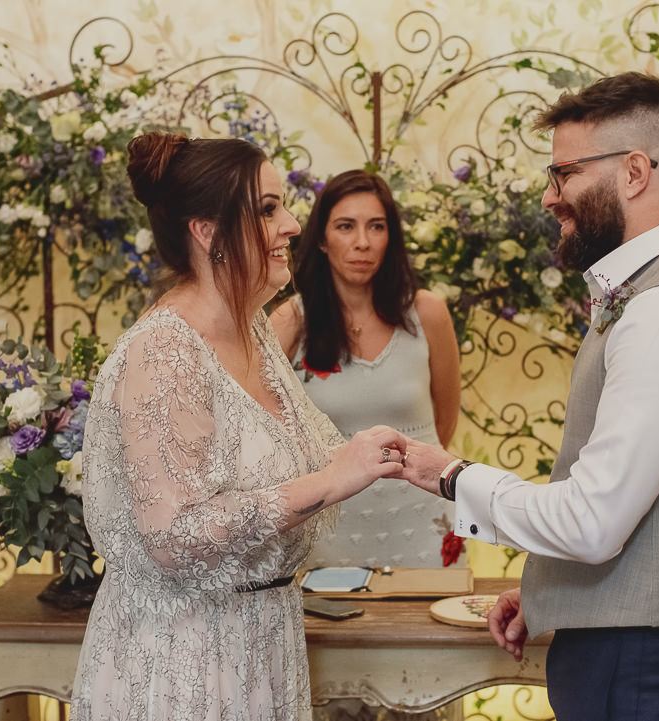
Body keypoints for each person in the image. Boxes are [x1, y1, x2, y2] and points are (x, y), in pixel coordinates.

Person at [399, 72, 659, 720]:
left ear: (632, 173)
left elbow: (595, 523)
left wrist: (453, 475)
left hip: (642, 664)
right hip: (641, 648)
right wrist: (551, 592)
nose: (549, 197)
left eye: (563, 173)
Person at [71, 132, 408, 721]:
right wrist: (328, 484)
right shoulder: (164, 350)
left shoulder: (253, 330)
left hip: (263, 648)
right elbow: (173, 535)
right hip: (184, 662)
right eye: (269, 209)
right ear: (207, 231)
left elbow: (312, 452)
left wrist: (405, 460)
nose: (293, 225)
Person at [270, 169, 461, 569]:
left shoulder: (427, 312)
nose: (362, 242)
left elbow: (445, 421)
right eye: (345, 226)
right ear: (321, 239)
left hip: (423, 520)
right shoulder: (289, 322)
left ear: (390, 236)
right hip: (332, 527)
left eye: (376, 226)